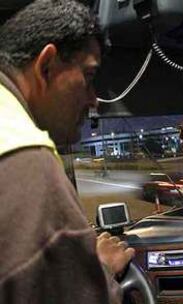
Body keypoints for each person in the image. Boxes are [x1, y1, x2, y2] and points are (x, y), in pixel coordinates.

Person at [0, 1, 134, 303]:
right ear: (46, 65)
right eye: (88, 77)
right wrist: (101, 270)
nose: (93, 100)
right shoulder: (25, 157)